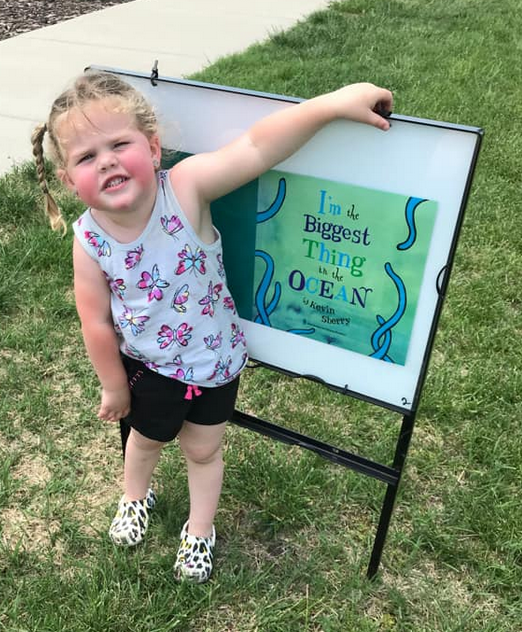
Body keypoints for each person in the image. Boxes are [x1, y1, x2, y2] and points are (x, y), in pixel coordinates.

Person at [31, 70, 392, 583]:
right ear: (69, 181)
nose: (107, 160)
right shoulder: (89, 239)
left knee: (203, 451)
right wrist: (113, 385)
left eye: (119, 144)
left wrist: (331, 103)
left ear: (153, 148)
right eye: (87, 157)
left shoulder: (186, 187)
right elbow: (94, 319)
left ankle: (199, 530)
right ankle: (135, 496)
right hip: (147, 369)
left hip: (214, 365)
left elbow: (257, 147)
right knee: (144, 440)